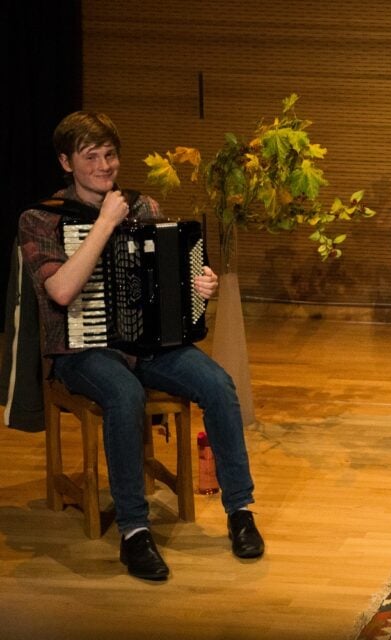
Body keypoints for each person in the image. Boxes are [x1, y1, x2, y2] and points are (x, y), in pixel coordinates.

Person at [18, 111, 264, 581]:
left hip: (147, 345)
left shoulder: (143, 208)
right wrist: (105, 224)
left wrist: (200, 285)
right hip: (81, 351)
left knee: (217, 383)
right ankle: (134, 531)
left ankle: (240, 511)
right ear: (67, 163)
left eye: (110, 155)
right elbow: (62, 292)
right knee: (124, 394)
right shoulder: (39, 220)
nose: (105, 166)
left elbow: (169, 280)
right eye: (91, 157)